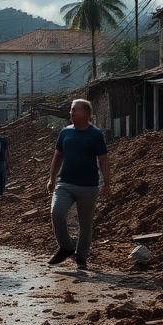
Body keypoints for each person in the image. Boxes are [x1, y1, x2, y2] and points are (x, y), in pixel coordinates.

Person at [46, 99, 111, 270]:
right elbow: (57, 157)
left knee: (85, 223)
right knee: (57, 212)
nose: (71, 112)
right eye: (71, 110)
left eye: (75, 110)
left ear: (87, 114)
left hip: (88, 185)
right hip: (65, 183)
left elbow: (103, 159)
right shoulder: (65, 133)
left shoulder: (95, 134)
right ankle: (66, 247)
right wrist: (51, 179)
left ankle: (81, 257)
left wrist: (107, 183)